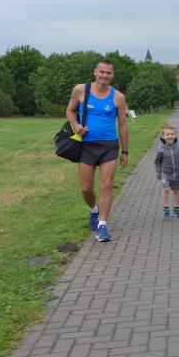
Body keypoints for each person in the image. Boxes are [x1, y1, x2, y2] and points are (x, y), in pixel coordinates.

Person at [66, 59, 129, 242]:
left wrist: (125, 151)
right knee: (86, 188)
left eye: (108, 73)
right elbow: (70, 110)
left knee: (106, 184)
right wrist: (76, 125)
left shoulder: (118, 97)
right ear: (95, 72)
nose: (105, 75)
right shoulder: (81, 90)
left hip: (109, 145)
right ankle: (94, 209)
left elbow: (123, 125)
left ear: (112, 75)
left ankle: (102, 226)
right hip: (87, 145)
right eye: (102, 72)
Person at [155, 124, 179, 220]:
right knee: (166, 189)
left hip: (176, 174)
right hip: (165, 173)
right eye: (167, 134)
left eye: (172, 134)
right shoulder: (160, 149)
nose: (170, 136)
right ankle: (166, 208)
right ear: (163, 136)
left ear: (175, 135)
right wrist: (158, 173)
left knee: (176, 191)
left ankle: (176, 208)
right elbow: (157, 162)